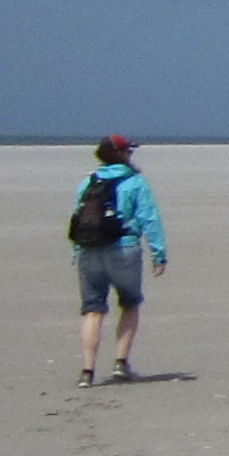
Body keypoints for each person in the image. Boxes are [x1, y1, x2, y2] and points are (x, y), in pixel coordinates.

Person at [67, 137, 169, 383]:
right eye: (128, 151)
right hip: (124, 250)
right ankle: (121, 363)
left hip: (89, 251)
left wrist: (76, 251)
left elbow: (78, 218)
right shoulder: (135, 181)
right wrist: (158, 254)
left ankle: (87, 371)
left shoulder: (89, 182)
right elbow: (149, 218)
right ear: (123, 154)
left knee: (92, 310)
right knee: (130, 303)